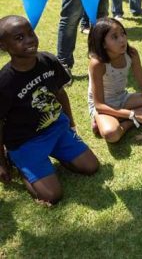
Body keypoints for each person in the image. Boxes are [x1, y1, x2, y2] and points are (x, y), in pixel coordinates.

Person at [0, 15, 99, 204]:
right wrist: (1, 163)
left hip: (56, 128)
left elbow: (61, 93)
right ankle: (21, 165)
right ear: (4, 46)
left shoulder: (48, 60)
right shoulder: (4, 82)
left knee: (91, 167)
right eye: (19, 38)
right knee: (52, 195)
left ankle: (57, 153)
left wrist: (70, 123)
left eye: (30, 33)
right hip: (25, 142)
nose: (29, 40)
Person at [88, 17, 142, 142]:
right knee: (111, 134)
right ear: (103, 43)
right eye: (115, 37)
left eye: (123, 34)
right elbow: (99, 105)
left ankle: (125, 121)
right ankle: (123, 119)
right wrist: (134, 114)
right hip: (104, 106)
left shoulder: (132, 54)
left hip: (123, 98)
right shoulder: (97, 63)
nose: (122, 40)